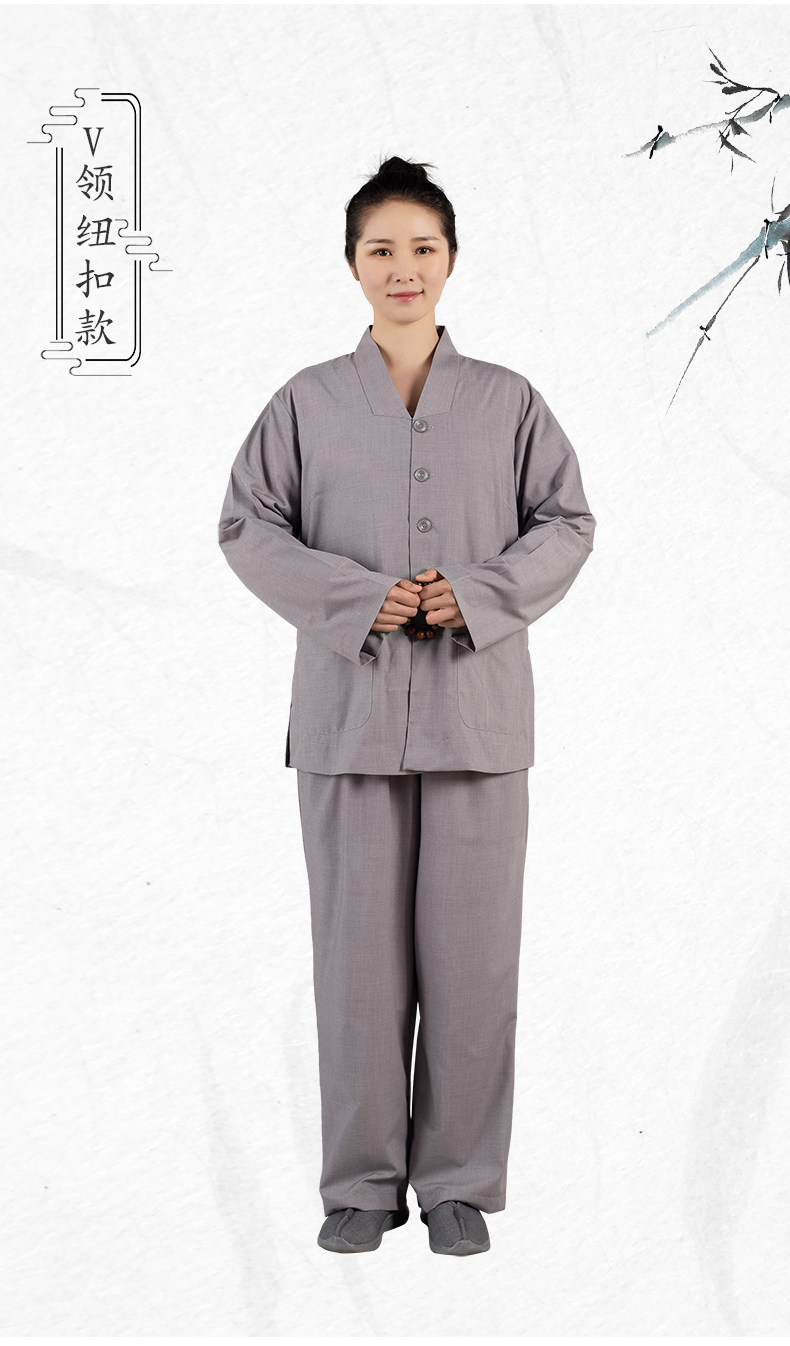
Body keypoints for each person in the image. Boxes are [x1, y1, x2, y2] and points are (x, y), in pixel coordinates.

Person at [217, 154, 596, 1256]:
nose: (402, 268)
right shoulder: (304, 403)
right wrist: (357, 598)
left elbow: (567, 522)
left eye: (422, 247)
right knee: (356, 963)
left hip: (479, 720)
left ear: (452, 260)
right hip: (348, 720)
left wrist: (474, 593)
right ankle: (361, 1185)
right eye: (380, 248)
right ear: (351, 263)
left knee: (474, 964)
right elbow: (246, 524)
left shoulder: (509, 401)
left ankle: (459, 1183)